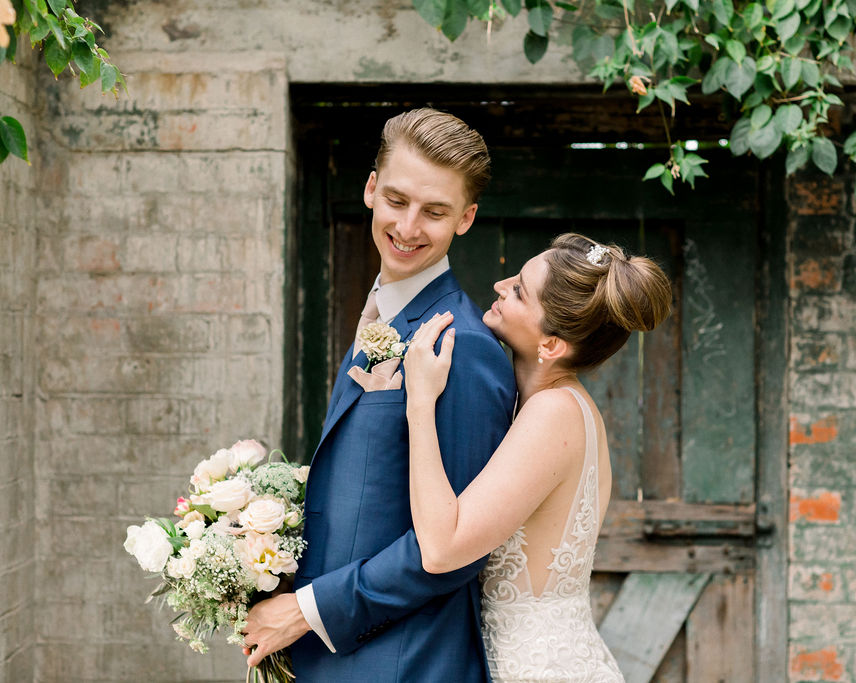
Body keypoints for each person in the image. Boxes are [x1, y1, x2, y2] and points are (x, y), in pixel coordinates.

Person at [239, 108, 517, 681]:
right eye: (396, 200)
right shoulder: (385, 315)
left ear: (465, 219)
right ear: (370, 189)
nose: (409, 227)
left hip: (403, 662)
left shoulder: (462, 345)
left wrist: (306, 611)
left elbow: (454, 548)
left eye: (435, 212)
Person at [402, 233, 672, 682]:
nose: (500, 285)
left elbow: (441, 547)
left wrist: (419, 402)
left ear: (551, 345)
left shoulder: (554, 414)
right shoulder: (549, 406)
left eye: (519, 291)